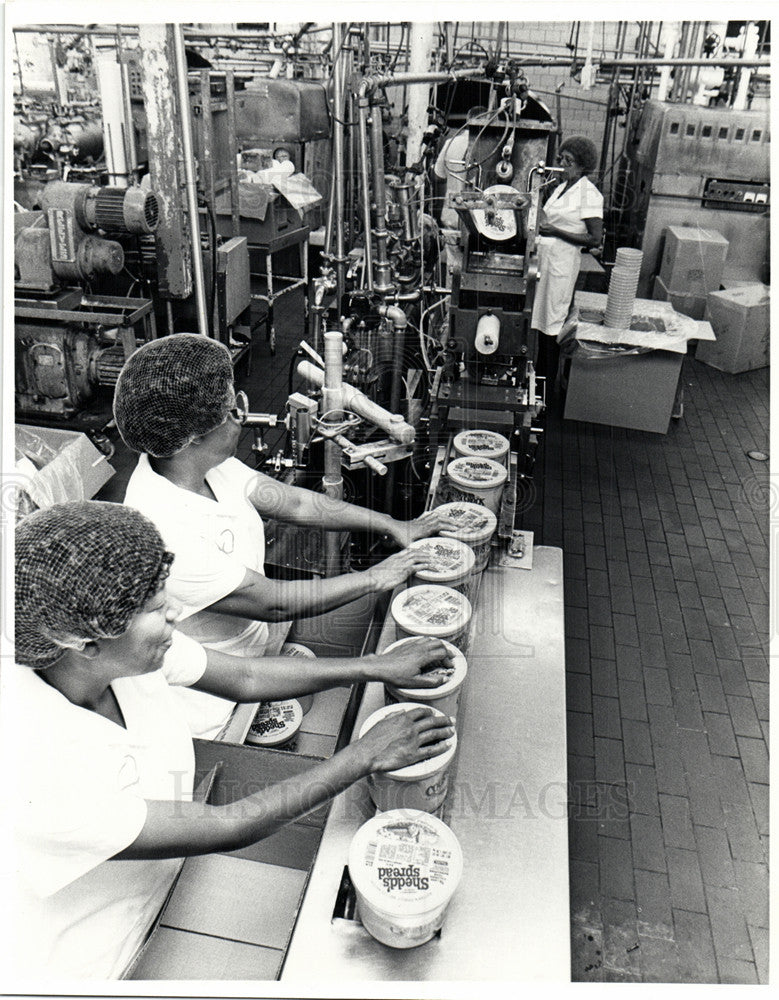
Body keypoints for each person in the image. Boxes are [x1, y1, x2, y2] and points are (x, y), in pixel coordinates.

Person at [6, 501, 455, 980]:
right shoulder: (32, 762)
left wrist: (373, 667)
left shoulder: (123, 649)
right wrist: (364, 754)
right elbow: (227, 824)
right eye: (159, 608)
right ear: (88, 643)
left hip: (162, 882)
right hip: (91, 959)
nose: (178, 612)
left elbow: (243, 676)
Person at [114, 334, 457, 738]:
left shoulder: (192, 466)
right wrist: (374, 578)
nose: (242, 415)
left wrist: (392, 524)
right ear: (192, 437)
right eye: (231, 410)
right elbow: (273, 603)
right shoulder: (165, 532)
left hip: (257, 651)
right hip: (215, 706)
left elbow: (292, 503)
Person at [530, 135, 604, 386]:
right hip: (545, 263)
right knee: (540, 328)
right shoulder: (561, 187)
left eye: (569, 161)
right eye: (561, 159)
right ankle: (537, 384)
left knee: (551, 329)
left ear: (583, 166)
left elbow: (595, 239)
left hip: (561, 266)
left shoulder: (589, 194)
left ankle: (545, 389)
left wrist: (556, 232)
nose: (562, 164)